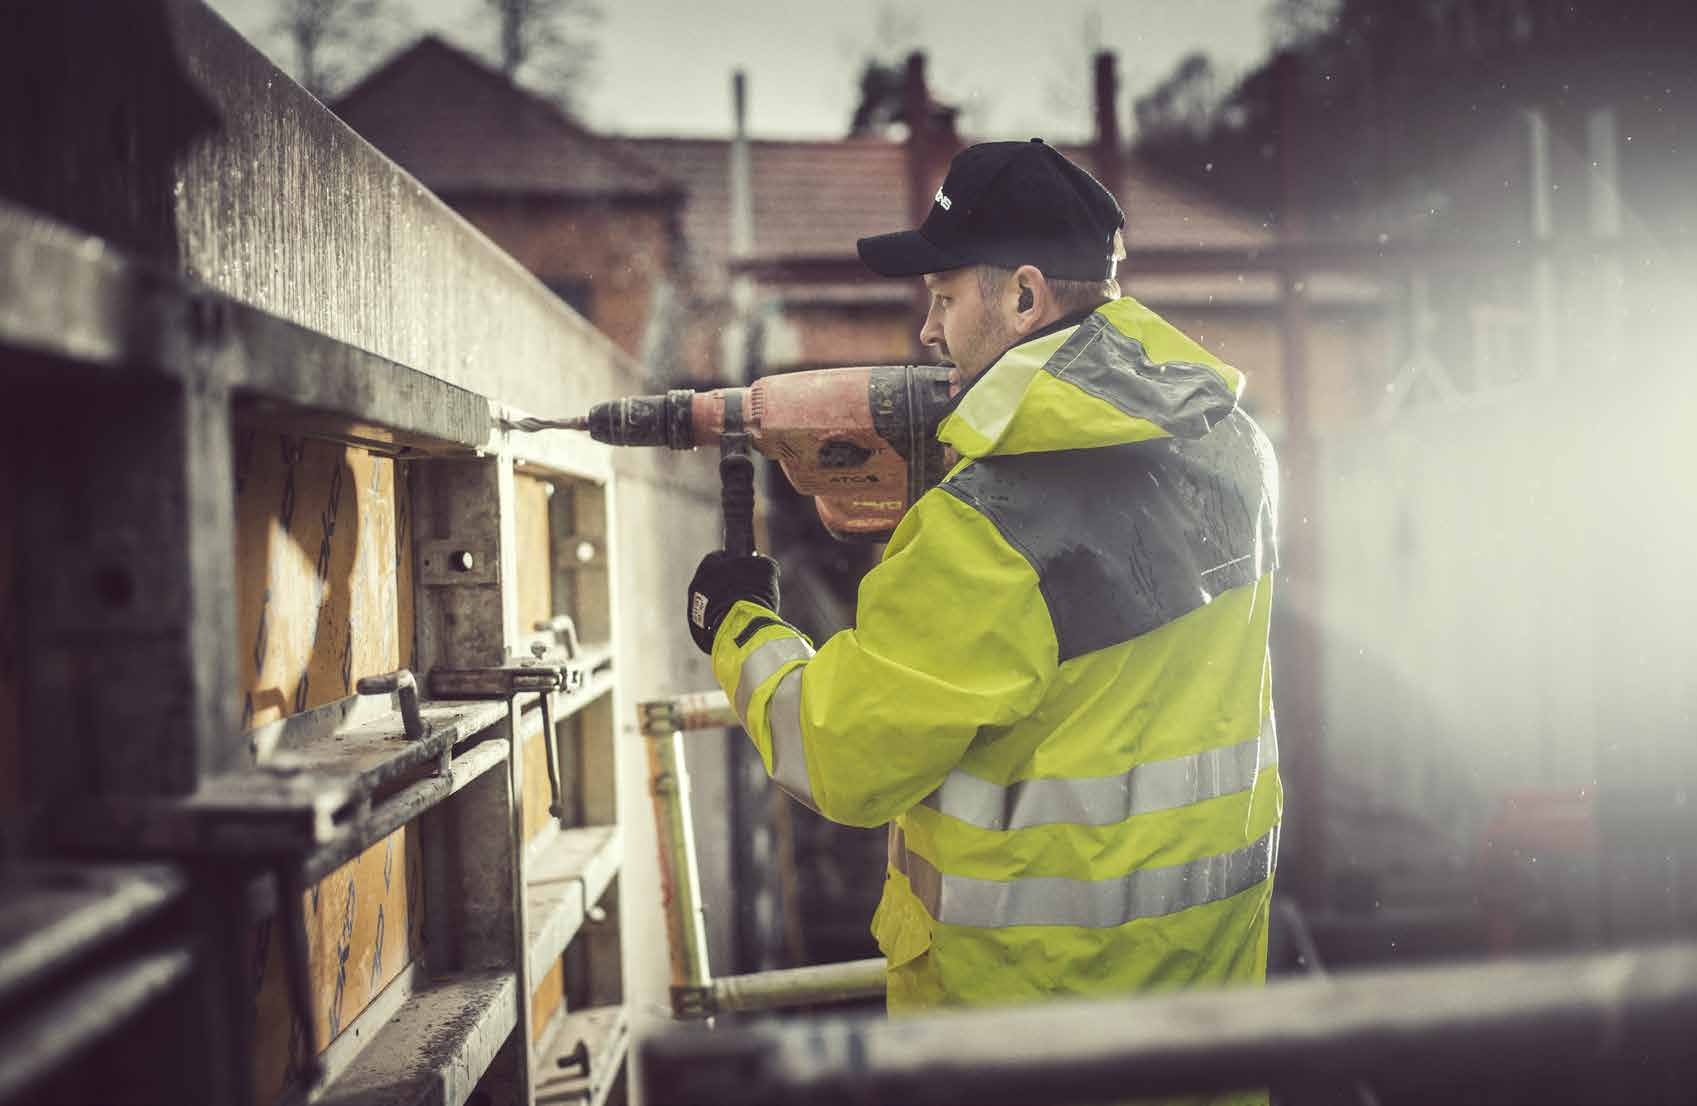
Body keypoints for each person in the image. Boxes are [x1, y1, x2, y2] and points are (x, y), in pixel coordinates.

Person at [685, 138, 1281, 1019]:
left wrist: (742, 628)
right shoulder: (1234, 443)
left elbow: (842, 758)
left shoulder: (984, 531)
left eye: (944, 296)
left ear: (1025, 295)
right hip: (1206, 1015)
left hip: (1022, 1029)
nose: (929, 332)